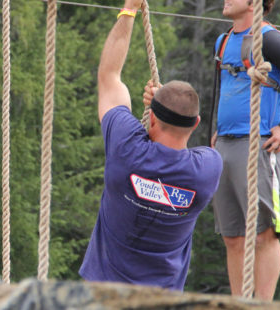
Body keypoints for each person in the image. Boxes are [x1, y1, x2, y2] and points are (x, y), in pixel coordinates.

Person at [79, 0, 223, 291]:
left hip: (103, 294)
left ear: (152, 118)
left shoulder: (126, 148)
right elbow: (187, 145)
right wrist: (161, 106)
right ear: (195, 124)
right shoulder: (207, 170)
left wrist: (129, 9)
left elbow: (109, 77)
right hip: (162, 299)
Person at [211, 0, 280, 301]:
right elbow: (221, 88)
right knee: (233, 236)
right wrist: (216, 130)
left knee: (264, 234)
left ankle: (262, 304)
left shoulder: (270, 39)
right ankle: (240, 302)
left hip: (260, 144)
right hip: (226, 144)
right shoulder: (223, 40)